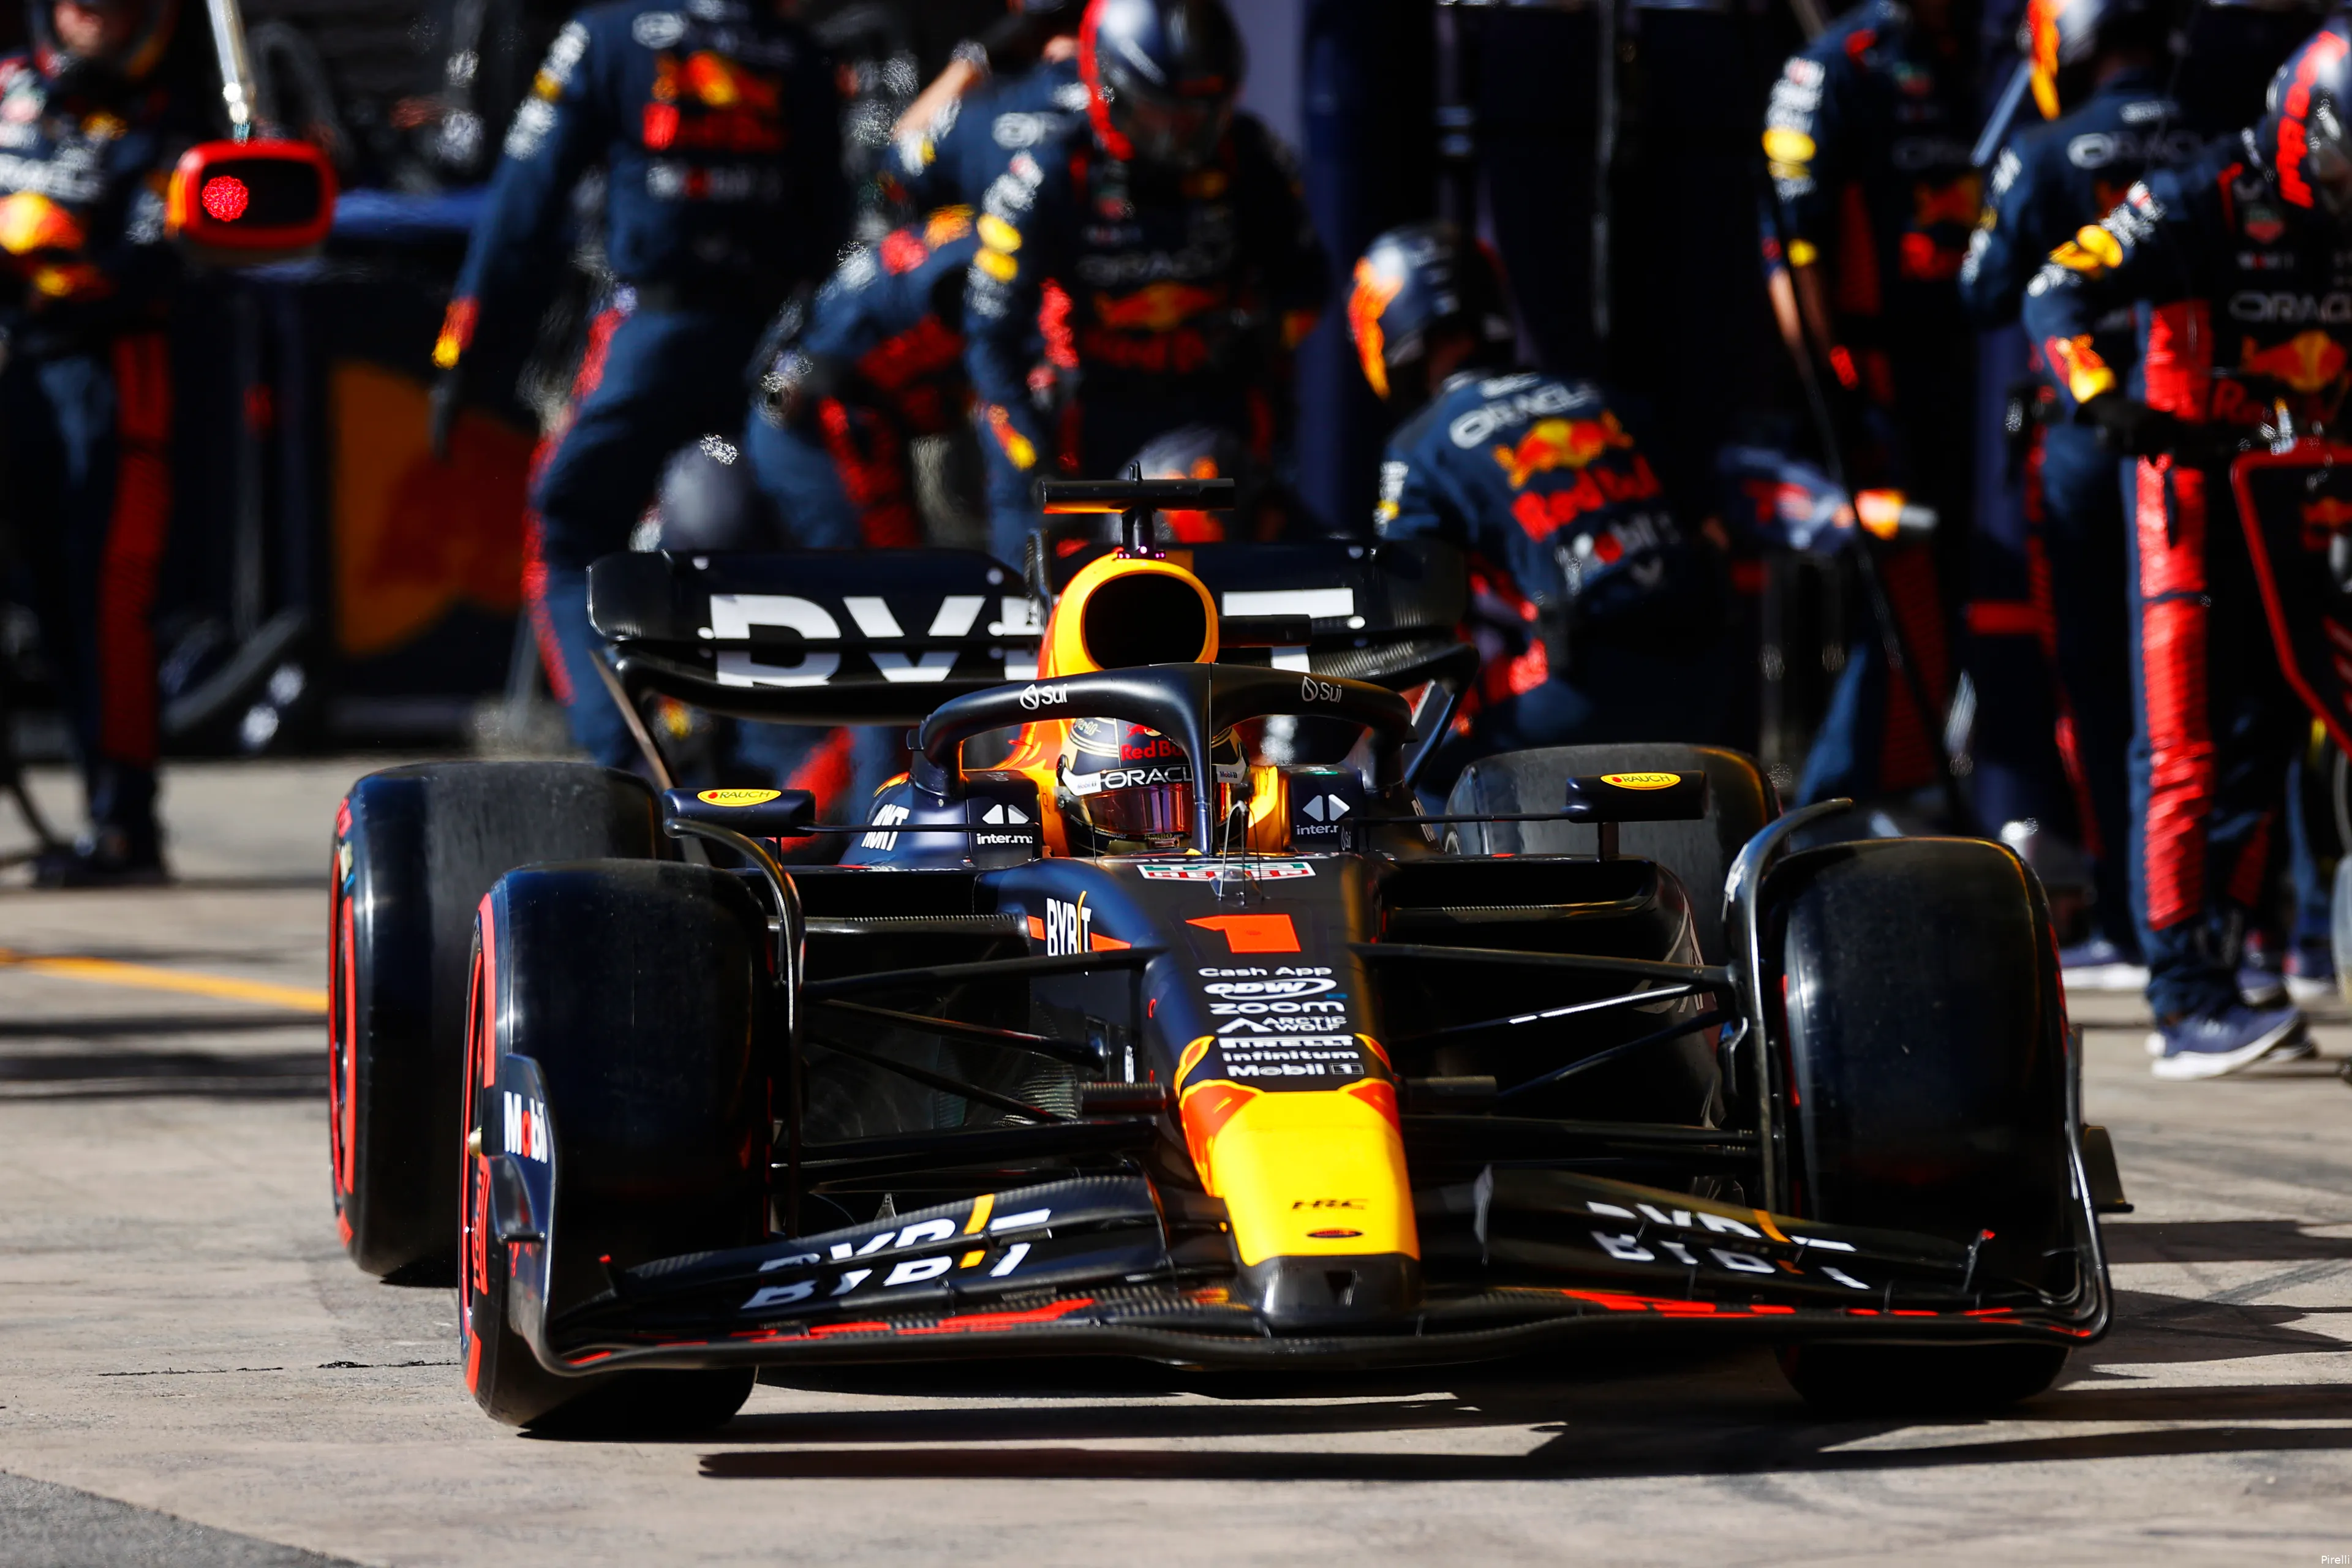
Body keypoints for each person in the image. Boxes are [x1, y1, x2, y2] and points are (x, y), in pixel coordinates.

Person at [2017, 15, 2352, 1076]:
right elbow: (2051, 291)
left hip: (2308, 503)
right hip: (2189, 505)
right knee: (2185, 753)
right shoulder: (2199, 193)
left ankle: (2231, 956)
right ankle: (2181, 1003)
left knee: (2270, 736)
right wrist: (2106, 401)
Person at [429, 0, 846, 771]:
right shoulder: (797, 52)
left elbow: (525, 204)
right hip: (773, 350)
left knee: (566, 527)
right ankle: (775, 773)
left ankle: (626, 770)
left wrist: (466, 354)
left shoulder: (606, 34)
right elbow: (835, 228)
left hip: (654, 335)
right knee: (743, 533)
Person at [1959, 0, 2188, 983]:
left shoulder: (2046, 150)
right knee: (2208, 689)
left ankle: (2141, 924)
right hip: (2198, 437)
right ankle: (2253, 926)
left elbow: (1979, 288)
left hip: (2088, 447)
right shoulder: (2220, 145)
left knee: (2101, 688)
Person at [1349, 221, 1725, 796]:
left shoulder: (1421, 445)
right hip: (1712, 679)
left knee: (1412, 784)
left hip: (1587, 692)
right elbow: (1711, 528)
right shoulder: (1602, 398)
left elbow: (1410, 620)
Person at [962, 0, 1325, 565]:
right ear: (1110, 89)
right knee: (1030, 602)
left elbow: (1308, 282)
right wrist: (1037, 463)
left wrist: (1260, 334)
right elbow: (989, 337)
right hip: (1083, 429)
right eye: (1166, 115)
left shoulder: (1252, 157)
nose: (1187, 136)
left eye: (1204, 113)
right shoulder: (1048, 174)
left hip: (1215, 416)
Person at [1762, 0, 1983, 813]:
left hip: (1975, 368)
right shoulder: (1830, 68)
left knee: (1963, 590)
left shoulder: (1981, 50)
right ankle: (1837, 805)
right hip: (1876, 378)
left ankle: (1908, 786)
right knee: (1903, 591)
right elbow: (1794, 245)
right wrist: (1832, 394)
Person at [0, 0, 202, 884]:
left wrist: (52, 263)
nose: (100, 24)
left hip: (117, 371)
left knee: (106, 601)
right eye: (86, 7)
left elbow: (155, 256)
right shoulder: (6, 89)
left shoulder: (176, 116)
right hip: (19, 373)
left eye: (118, 9)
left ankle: (125, 822)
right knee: (44, 601)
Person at [749, 205, 982, 549]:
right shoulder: (963, 275)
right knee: (865, 572)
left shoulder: (966, 234)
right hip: (815, 427)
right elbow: (817, 375)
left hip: (853, 404)